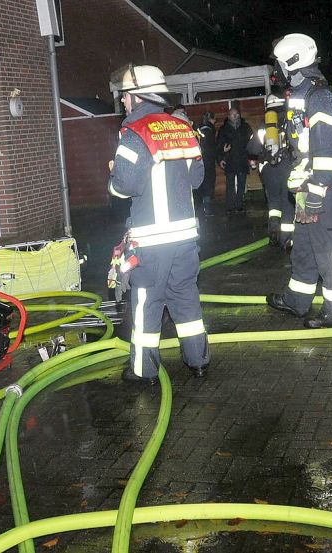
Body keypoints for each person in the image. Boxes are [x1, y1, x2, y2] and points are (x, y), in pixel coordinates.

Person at [107, 63, 210, 384]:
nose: (123, 101)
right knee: (185, 296)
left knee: (146, 303)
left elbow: (124, 186)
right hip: (185, 239)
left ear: (138, 97)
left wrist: (113, 172)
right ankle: (198, 361)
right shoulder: (181, 127)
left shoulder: (133, 132)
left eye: (125, 96)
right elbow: (197, 179)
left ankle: (144, 371)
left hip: (151, 241)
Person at [266, 33, 332, 329]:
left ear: (293, 62)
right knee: (303, 245)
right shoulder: (302, 96)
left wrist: (318, 190)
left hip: (327, 188)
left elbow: (328, 149)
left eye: (278, 65)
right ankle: (297, 300)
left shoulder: (321, 97)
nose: (275, 71)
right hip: (309, 187)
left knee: (330, 248)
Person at [248, 94, 295, 247]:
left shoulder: (265, 124)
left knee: (274, 202)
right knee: (287, 202)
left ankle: (274, 235)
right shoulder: (290, 120)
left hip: (269, 170)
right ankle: (287, 239)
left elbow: (252, 148)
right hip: (287, 167)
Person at [217, 108, 253, 214]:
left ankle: (239, 205)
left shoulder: (245, 127)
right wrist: (221, 158)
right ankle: (230, 206)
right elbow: (219, 145)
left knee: (241, 184)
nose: (235, 116)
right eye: (233, 115)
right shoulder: (224, 129)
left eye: (237, 114)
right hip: (230, 160)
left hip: (242, 160)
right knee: (230, 185)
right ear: (228, 116)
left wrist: (252, 158)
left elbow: (251, 143)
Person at [197, 111, 218, 216]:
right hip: (208, 161)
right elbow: (211, 148)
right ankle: (207, 210)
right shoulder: (209, 131)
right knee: (208, 185)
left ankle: (202, 209)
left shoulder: (200, 129)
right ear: (212, 119)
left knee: (202, 185)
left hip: (200, 162)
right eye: (215, 120)